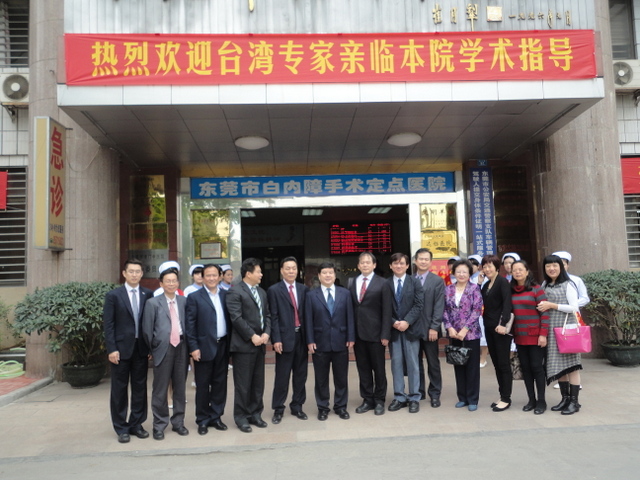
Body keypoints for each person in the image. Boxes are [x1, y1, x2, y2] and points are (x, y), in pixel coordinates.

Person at [103, 259, 153, 444]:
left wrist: (150, 347)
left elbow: (150, 322)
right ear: (124, 273)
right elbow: (109, 325)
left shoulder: (147, 294)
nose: (134, 274)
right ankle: (121, 427)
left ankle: (136, 424)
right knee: (119, 390)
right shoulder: (113, 296)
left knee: (140, 388)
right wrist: (112, 349)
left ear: (142, 274)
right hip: (120, 350)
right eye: (131, 271)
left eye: (137, 271)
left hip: (141, 350)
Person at [141, 267, 189, 440]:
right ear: (161, 284)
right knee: (160, 389)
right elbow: (147, 330)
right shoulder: (152, 303)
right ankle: (159, 425)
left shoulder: (184, 301)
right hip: (163, 348)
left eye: (174, 281)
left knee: (180, 388)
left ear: (178, 283)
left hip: (182, 347)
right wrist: (153, 348)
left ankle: (178, 422)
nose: (171, 284)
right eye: (167, 281)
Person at [305, 261, 355, 421]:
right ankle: (323, 407)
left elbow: (350, 316)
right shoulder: (311, 295)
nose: (328, 275)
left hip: (341, 340)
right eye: (324, 273)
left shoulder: (345, 293)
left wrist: (351, 337)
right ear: (319, 276)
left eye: (330, 273)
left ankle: (341, 407)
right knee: (321, 378)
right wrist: (310, 340)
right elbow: (308, 320)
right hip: (320, 342)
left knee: (341, 378)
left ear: (335, 275)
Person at [225, 257, 271, 433]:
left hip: (260, 344)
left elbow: (267, 315)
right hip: (244, 346)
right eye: (258, 271)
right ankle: (241, 417)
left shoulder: (262, 292)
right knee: (243, 384)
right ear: (248, 273)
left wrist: (266, 333)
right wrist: (252, 336)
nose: (261, 274)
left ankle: (255, 414)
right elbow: (236, 318)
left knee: (258, 383)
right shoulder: (235, 292)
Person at [185, 264, 231, 435]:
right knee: (203, 385)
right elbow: (190, 325)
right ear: (203, 277)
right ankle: (202, 420)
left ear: (220, 276)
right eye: (208, 275)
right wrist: (193, 347)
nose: (211, 278)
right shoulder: (194, 297)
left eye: (214, 275)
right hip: (203, 347)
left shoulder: (226, 295)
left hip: (223, 345)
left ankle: (216, 417)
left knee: (220, 384)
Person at [537, 254, 583, 415]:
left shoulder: (568, 284)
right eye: (548, 266)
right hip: (551, 331)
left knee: (572, 367)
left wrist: (552, 305)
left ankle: (574, 402)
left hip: (567, 331)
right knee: (559, 366)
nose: (551, 268)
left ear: (561, 267)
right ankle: (565, 399)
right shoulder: (545, 284)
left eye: (555, 265)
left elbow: (574, 307)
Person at [348, 252, 392, 416]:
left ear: (374, 265)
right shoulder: (352, 282)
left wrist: (385, 334)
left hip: (376, 334)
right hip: (358, 334)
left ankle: (379, 400)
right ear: (358, 265)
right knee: (363, 368)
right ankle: (367, 399)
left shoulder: (383, 283)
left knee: (379, 369)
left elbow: (387, 310)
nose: (365, 265)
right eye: (362, 262)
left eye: (368, 262)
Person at [267, 256, 310, 424]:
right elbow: (273, 316)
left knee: (301, 375)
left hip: (301, 337)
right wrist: (276, 339)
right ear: (281, 271)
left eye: (294, 268)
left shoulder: (304, 289)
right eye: (288, 268)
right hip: (284, 339)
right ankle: (278, 408)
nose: (291, 271)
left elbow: (307, 316)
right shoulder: (274, 290)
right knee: (282, 376)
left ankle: (297, 406)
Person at [386, 253, 424, 414]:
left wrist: (407, 321)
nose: (399, 266)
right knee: (396, 364)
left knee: (413, 364)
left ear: (408, 266)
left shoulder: (415, 282)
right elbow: (383, 307)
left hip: (411, 329)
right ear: (390, 266)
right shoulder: (386, 284)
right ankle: (399, 397)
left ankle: (414, 397)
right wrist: (393, 322)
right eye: (395, 263)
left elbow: (419, 304)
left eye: (402, 263)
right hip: (394, 330)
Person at [443, 259, 483, 411]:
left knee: (472, 367)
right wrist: (449, 327)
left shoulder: (474, 288)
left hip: (471, 334)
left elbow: (477, 310)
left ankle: (472, 399)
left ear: (469, 274)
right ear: (453, 273)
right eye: (458, 271)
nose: (461, 274)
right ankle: (462, 397)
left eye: (464, 272)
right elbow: (444, 310)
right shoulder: (448, 289)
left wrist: (465, 329)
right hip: (454, 333)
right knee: (458, 364)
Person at [511, 260, 549, 414]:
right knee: (526, 369)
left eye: (520, 269)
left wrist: (543, 334)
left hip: (535, 336)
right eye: (515, 270)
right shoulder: (511, 290)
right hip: (519, 335)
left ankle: (541, 401)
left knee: (537, 368)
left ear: (527, 272)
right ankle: (531, 400)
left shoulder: (536, 289)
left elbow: (544, 313)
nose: (517, 272)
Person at [480, 255, 514, 412]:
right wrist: (479, 283)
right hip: (489, 328)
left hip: (500, 329)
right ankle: (502, 395)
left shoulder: (502, 282)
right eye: (485, 266)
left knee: (503, 364)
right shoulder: (486, 284)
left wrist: (503, 324)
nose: (487, 269)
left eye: (490, 266)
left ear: (497, 267)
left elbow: (507, 305)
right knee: (496, 363)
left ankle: (506, 398)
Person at [414, 248, 445, 408]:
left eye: (426, 259)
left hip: (430, 329)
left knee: (433, 363)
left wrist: (434, 326)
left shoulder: (437, 281)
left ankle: (435, 393)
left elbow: (439, 305)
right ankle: (419, 391)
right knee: (415, 362)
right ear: (415, 260)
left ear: (431, 262)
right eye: (421, 259)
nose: (423, 261)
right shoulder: (409, 279)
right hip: (413, 329)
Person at [470, 254, 489, 369]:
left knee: (483, 336)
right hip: (469, 313)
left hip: (481, 311)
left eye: (474, 264)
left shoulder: (483, 278)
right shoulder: (466, 278)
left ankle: (483, 359)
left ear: (478, 266)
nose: (471, 266)